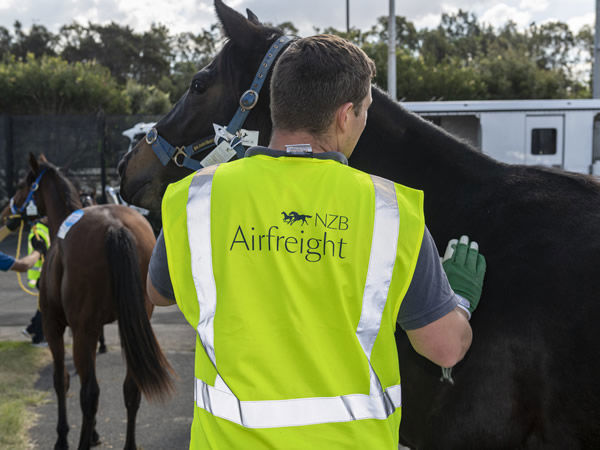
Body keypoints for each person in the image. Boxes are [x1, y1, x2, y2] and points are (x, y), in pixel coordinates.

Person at [147, 35, 486, 449]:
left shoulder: (196, 199)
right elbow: (446, 349)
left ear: (279, 105)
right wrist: (461, 300)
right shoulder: (390, 212)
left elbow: (157, 293)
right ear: (346, 115)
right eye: (364, 113)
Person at [22, 218, 50, 346]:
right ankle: (37, 339)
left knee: (43, 306)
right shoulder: (38, 231)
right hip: (41, 276)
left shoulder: (44, 229)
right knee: (46, 307)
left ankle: (31, 329)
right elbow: (44, 252)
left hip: (44, 275)